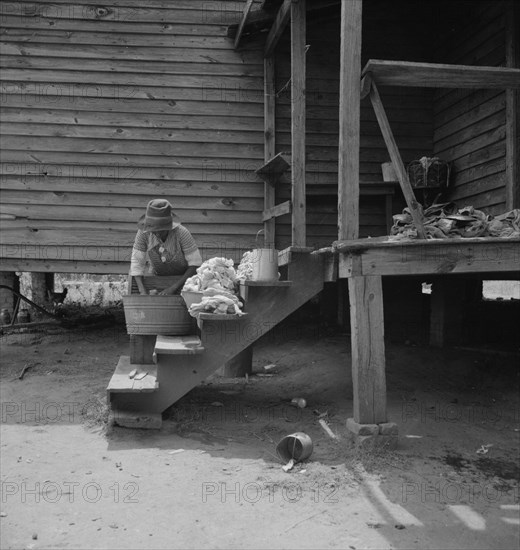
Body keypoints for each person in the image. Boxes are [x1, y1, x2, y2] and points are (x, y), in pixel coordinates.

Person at [130, 199, 202, 295]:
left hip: (184, 279)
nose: (157, 233)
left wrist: (173, 288)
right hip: (157, 276)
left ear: (169, 226)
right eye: (154, 230)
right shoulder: (144, 232)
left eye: (161, 230)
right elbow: (137, 262)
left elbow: (195, 264)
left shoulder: (181, 233)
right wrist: (142, 291)